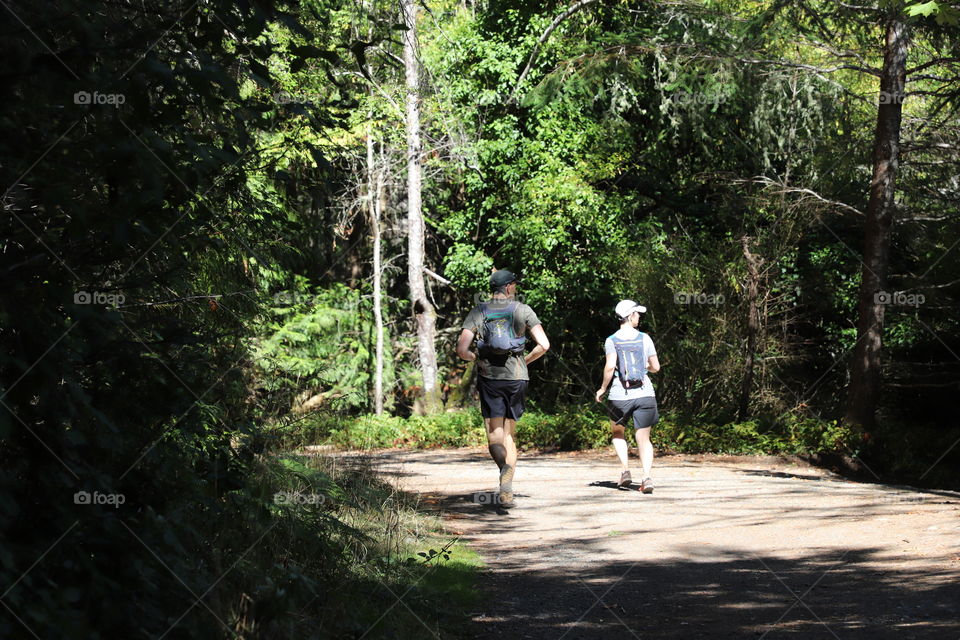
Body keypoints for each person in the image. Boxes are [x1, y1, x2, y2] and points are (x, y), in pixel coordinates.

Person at [456, 270, 550, 507]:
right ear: (508, 287)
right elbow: (544, 345)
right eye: (514, 284)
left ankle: (503, 467)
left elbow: (461, 349)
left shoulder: (480, 311)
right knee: (509, 433)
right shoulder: (523, 310)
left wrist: (474, 358)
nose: (516, 287)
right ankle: (506, 491)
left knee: (494, 434)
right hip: (518, 378)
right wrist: (525, 361)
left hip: (491, 379)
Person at [595, 300, 661, 494]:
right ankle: (647, 477)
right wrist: (645, 368)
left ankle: (625, 470)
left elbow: (609, 367)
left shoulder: (611, 340)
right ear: (630, 315)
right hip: (645, 394)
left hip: (619, 395)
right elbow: (655, 367)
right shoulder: (645, 338)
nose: (639, 317)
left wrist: (602, 389)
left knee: (618, 433)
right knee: (643, 437)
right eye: (637, 314)